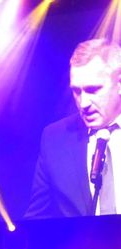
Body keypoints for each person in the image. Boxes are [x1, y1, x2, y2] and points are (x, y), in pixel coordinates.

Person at [26, 38, 121, 219]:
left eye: (93, 90)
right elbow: (38, 220)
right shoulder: (55, 138)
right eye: (77, 91)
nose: (83, 103)